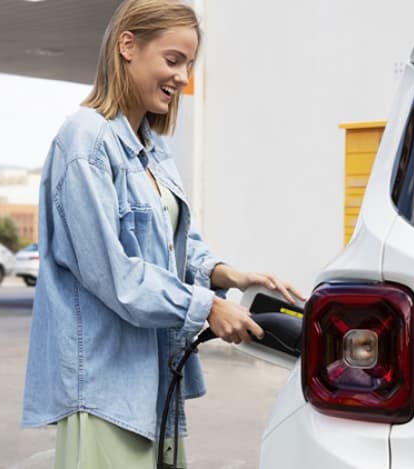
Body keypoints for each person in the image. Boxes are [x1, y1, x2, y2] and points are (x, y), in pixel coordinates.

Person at [21, 1, 305, 467]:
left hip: (150, 381)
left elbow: (170, 239)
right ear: (128, 46)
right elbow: (112, 273)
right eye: (173, 61)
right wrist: (206, 307)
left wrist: (223, 273)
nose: (183, 78)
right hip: (103, 388)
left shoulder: (152, 147)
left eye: (189, 64)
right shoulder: (85, 140)